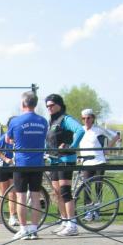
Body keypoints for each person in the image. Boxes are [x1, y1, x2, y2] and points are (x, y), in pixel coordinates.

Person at [5, 91, 49, 240]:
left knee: (21, 198)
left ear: (23, 103)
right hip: (38, 163)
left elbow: (8, 139)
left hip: (21, 163)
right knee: (36, 197)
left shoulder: (15, 121)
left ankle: (23, 229)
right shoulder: (43, 121)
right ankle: (34, 229)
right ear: (35, 104)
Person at [44, 94, 84, 237]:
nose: (49, 108)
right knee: (57, 193)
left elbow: (80, 130)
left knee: (65, 192)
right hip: (54, 159)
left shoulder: (66, 119)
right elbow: (49, 139)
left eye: (52, 105)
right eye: (47, 106)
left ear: (59, 105)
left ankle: (72, 224)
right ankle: (64, 221)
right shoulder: (51, 121)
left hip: (66, 158)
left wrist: (72, 146)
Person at [78, 108, 121, 222]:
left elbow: (116, 135)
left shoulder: (98, 129)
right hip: (86, 162)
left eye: (88, 118)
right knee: (86, 187)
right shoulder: (80, 130)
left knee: (98, 187)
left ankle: (97, 212)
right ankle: (88, 212)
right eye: (83, 118)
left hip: (99, 161)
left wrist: (107, 148)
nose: (86, 120)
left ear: (92, 118)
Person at [0, 117, 16, 226]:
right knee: (3, 193)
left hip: (13, 167)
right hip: (2, 167)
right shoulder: (4, 137)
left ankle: (12, 217)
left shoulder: (18, 137)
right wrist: (5, 159)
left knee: (13, 192)